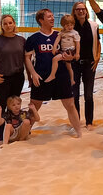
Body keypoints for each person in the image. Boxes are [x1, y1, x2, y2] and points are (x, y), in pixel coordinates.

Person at [24, 9, 82, 138]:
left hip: (61, 75)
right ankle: (25, 131)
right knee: (34, 105)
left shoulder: (60, 34)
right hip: (41, 75)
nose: (52, 18)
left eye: (52, 16)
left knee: (70, 104)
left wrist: (70, 57)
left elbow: (71, 51)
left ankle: (79, 132)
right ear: (41, 20)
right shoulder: (33, 38)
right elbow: (27, 58)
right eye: (49, 17)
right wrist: (33, 73)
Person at [71, 1, 101, 130]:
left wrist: (98, 58)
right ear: (74, 11)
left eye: (83, 9)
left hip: (89, 64)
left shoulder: (94, 25)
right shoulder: (70, 26)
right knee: (75, 94)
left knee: (88, 95)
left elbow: (98, 43)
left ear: (86, 10)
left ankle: (89, 122)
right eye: (78, 9)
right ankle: (76, 121)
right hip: (74, 64)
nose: (81, 11)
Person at [45, 15, 80, 85]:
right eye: (67, 25)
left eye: (71, 25)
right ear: (63, 25)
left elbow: (77, 43)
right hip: (64, 50)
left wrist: (77, 53)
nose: (70, 27)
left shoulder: (74, 33)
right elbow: (57, 39)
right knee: (69, 67)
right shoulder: (62, 32)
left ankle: (52, 75)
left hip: (70, 51)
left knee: (55, 59)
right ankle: (72, 80)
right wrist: (54, 47)